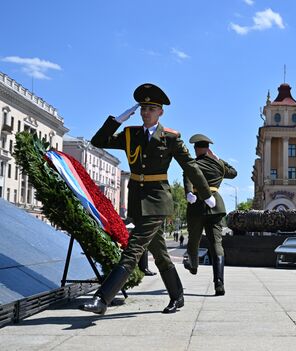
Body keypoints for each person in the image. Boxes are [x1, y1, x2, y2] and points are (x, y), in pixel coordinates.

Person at [80, 83, 216, 315]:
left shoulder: (171, 138)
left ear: (160, 111)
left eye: (151, 108)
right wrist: (116, 120)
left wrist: (204, 194)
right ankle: (178, 296)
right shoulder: (130, 134)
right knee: (162, 255)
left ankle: (102, 299)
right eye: (143, 108)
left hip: (157, 200)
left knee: (133, 250)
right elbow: (98, 142)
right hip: (137, 199)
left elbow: (191, 167)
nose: (146, 112)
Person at [182, 134, 237, 296]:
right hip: (216, 206)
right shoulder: (218, 165)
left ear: (196, 149)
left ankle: (193, 265)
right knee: (216, 244)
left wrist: (188, 193)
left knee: (193, 239)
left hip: (197, 205)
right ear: (208, 149)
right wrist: (219, 159)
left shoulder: (192, 163)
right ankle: (219, 283)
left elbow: (188, 178)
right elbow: (233, 173)